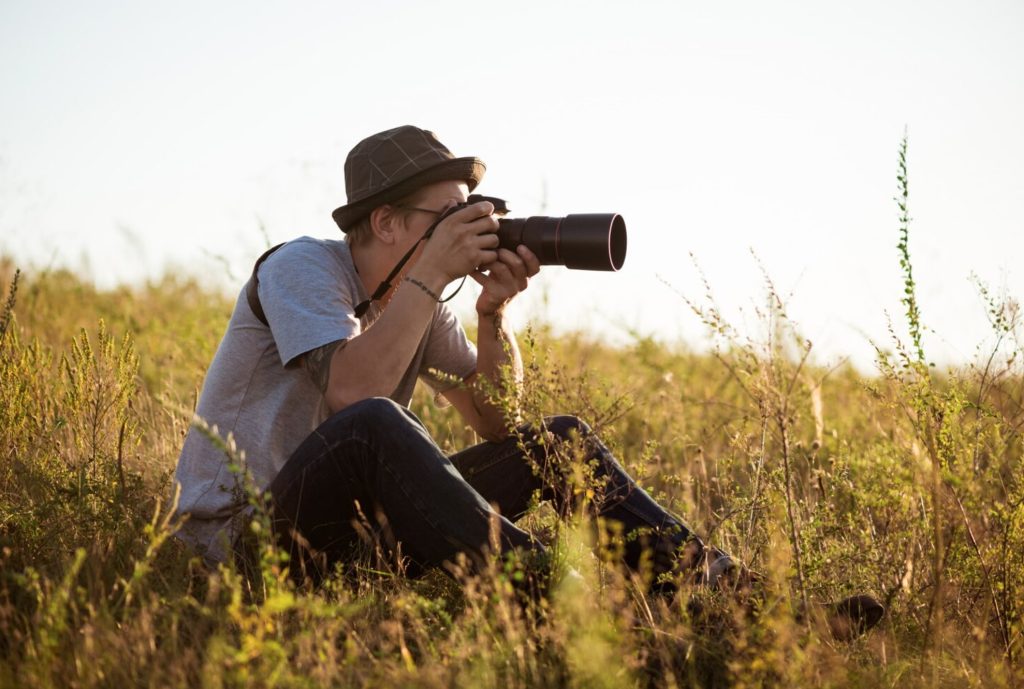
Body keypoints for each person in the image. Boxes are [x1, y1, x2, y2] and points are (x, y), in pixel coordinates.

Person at [171, 125, 882, 636]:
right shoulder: (304, 266)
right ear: (384, 222)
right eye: (449, 216)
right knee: (376, 424)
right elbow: (355, 394)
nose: (471, 228)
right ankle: (575, 615)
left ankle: (744, 607)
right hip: (239, 553)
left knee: (557, 441)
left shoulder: (412, 298)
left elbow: (497, 423)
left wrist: (492, 315)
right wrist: (429, 274)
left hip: (347, 553)